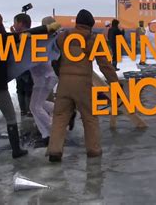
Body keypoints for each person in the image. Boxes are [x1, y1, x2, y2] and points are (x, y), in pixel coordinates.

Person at [0, 11, 60, 160]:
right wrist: (46, 28)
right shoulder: (2, 38)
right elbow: (27, 34)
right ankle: (17, 150)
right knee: (12, 117)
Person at [48, 9, 119, 163]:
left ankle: (54, 150)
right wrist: (115, 83)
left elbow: (53, 55)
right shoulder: (93, 40)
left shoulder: (63, 37)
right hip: (83, 84)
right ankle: (93, 151)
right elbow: (104, 65)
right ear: (90, 25)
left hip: (64, 84)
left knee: (59, 117)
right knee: (90, 117)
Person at [25, 16, 59, 147]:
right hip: (45, 76)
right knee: (37, 105)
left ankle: (51, 132)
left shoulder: (44, 39)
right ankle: (48, 132)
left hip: (45, 77)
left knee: (35, 107)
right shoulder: (51, 38)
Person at [12, 13, 34, 117]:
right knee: (24, 89)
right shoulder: (33, 35)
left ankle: (26, 111)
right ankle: (27, 111)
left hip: (24, 68)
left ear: (20, 24)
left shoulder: (24, 36)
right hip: (24, 68)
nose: (14, 25)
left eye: (15, 23)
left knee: (24, 89)